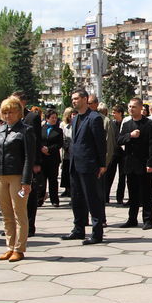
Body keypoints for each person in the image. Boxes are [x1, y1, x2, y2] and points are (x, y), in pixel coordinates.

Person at [0, 96, 35, 262]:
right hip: (0, 175)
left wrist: (26, 181)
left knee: (19, 212)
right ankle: (9, 246)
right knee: (6, 213)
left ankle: (19, 248)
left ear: (19, 113)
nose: (8, 115)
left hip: (17, 177)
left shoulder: (25, 130)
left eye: (11, 112)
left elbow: (29, 157)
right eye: (5, 112)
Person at [61, 88, 107, 245]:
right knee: (77, 199)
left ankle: (96, 233)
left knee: (92, 199)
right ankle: (78, 229)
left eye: (76, 98)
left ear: (85, 99)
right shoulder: (75, 119)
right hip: (74, 164)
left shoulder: (94, 118)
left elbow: (100, 143)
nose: (73, 101)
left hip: (89, 165)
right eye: (72, 98)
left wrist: (102, 164)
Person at [118, 97, 152, 229]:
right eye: (129, 106)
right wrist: (130, 135)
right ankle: (132, 219)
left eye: (133, 107)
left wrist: (151, 163)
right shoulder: (127, 124)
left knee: (146, 193)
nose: (130, 109)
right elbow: (120, 140)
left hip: (144, 164)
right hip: (130, 164)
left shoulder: (149, 124)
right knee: (132, 193)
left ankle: (148, 220)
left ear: (141, 108)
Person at [11, 92, 42, 236]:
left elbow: (37, 141)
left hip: (29, 160)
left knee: (29, 193)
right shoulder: (10, 117)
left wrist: (36, 162)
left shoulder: (32, 117)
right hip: (15, 161)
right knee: (15, 195)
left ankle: (30, 225)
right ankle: (15, 225)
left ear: (23, 102)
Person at [39, 109, 63, 207]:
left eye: (55, 118)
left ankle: (54, 200)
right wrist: (42, 148)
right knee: (42, 180)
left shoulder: (59, 130)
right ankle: (40, 199)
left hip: (53, 158)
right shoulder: (41, 129)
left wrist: (49, 149)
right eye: (52, 118)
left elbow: (59, 144)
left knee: (53, 179)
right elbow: (38, 141)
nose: (54, 120)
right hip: (42, 158)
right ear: (47, 118)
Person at [105, 104, 127, 205]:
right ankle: (106, 197)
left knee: (122, 176)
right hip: (114, 152)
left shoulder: (126, 123)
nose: (112, 114)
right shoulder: (111, 123)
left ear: (120, 113)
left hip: (124, 154)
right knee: (109, 175)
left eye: (114, 112)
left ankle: (120, 197)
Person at [59, 107, 74, 199]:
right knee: (65, 172)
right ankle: (67, 189)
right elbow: (63, 139)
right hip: (67, 154)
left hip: (75, 154)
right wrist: (67, 148)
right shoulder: (64, 126)